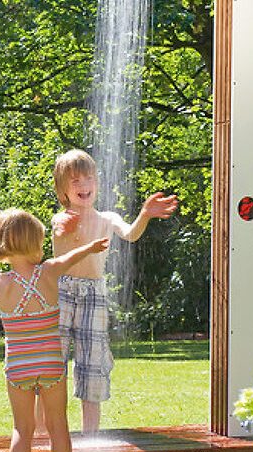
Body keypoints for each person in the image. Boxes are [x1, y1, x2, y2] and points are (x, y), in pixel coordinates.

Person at [51, 149, 178, 433]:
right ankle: (43, 433)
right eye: (75, 181)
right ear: (62, 190)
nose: (84, 185)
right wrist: (65, 229)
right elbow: (59, 238)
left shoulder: (108, 218)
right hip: (60, 293)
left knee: (92, 363)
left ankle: (90, 436)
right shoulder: (60, 220)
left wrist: (145, 214)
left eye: (89, 178)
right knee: (52, 364)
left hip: (94, 295)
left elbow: (131, 234)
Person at [0, 208, 109, 452]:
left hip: (19, 366)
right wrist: (90, 247)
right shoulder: (49, 272)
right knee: (58, 426)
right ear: (33, 243)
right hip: (51, 364)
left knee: (22, 428)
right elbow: (69, 258)